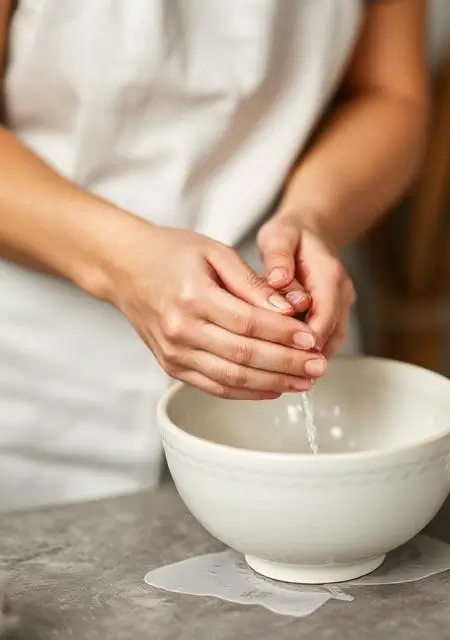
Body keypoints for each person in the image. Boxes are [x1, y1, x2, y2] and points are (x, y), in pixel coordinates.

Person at [0, 0, 428, 512]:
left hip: (276, 356)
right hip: (33, 378)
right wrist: (122, 261)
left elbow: (388, 93)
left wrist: (314, 216)